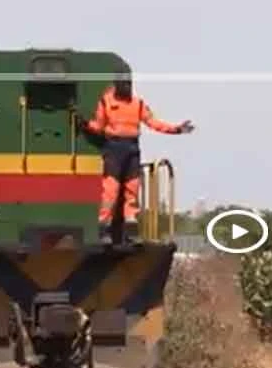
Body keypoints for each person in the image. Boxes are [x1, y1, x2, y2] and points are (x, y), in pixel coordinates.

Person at [75, 77, 194, 243]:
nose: (127, 87)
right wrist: (86, 125)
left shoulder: (138, 104)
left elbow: (153, 122)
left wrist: (177, 129)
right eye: (124, 84)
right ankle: (103, 229)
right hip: (113, 148)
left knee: (132, 189)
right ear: (116, 86)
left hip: (132, 149)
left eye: (129, 84)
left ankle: (130, 228)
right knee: (111, 190)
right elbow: (99, 125)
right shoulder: (106, 101)